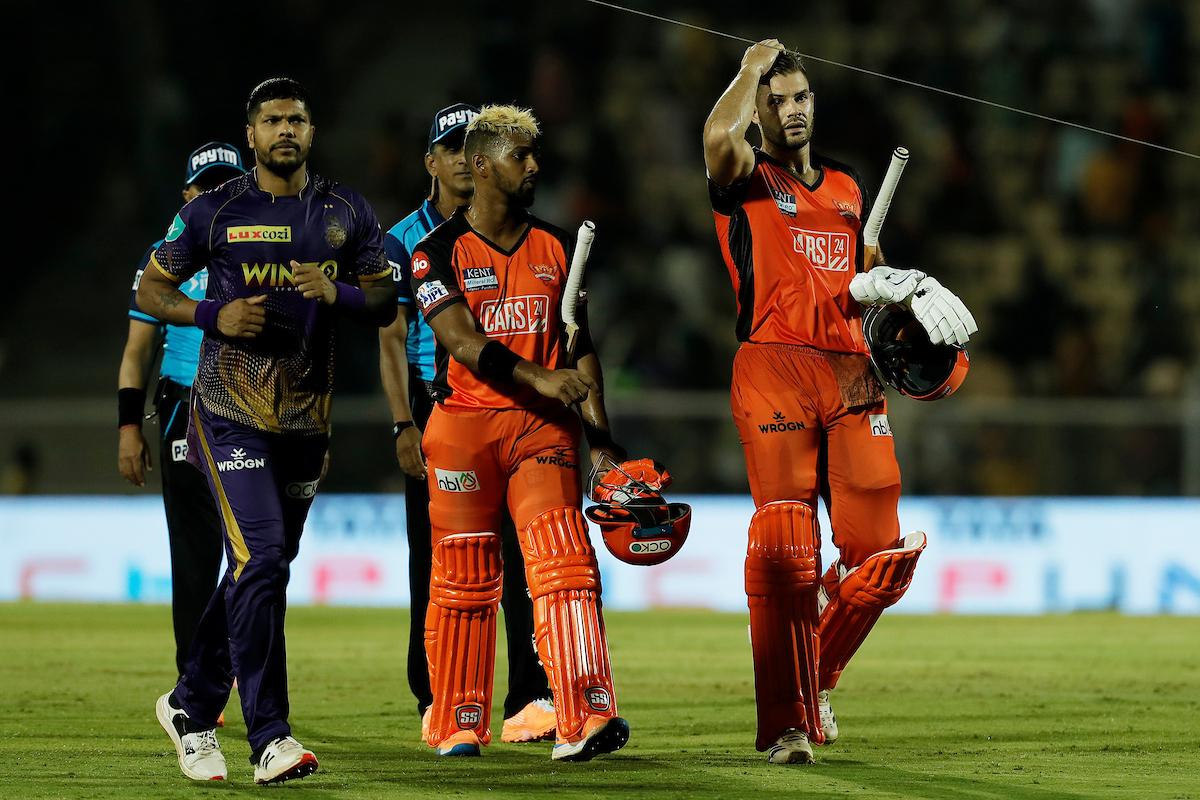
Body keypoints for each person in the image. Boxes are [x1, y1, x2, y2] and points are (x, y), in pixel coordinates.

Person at [702, 42, 976, 764]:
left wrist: (890, 285)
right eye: (777, 99)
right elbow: (714, 139)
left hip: (852, 373)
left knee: (881, 555)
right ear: (758, 112)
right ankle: (787, 725)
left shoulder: (852, 190)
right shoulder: (745, 175)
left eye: (801, 98)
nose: (791, 110)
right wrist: (747, 68)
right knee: (789, 545)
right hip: (774, 365)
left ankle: (815, 667)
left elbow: (858, 283)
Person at [137, 77, 396, 784]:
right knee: (264, 557)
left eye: (299, 119)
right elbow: (150, 290)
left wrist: (336, 292)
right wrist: (210, 317)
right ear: (250, 134)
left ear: (313, 132)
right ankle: (271, 737)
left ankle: (189, 706)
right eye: (273, 120)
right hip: (228, 414)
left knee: (263, 569)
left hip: (307, 423)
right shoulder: (213, 212)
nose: (287, 129)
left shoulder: (346, 211)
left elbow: (384, 297)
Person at [409, 105, 629, 761]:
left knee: (565, 566)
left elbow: (580, 345)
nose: (534, 167)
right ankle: (457, 723)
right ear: (480, 165)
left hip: (542, 432)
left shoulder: (559, 245)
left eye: (535, 156)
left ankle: (585, 716)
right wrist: (540, 376)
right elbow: (460, 340)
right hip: (463, 431)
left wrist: (603, 441)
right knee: (464, 580)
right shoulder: (434, 252)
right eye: (519, 156)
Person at [379, 103, 554, 744]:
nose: (457, 157)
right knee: (433, 559)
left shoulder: (511, 226)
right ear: (430, 162)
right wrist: (402, 423)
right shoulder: (403, 239)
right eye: (446, 147)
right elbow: (391, 338)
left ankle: (528, 696)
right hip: (437, 405)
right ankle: (435, 694)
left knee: (517, 552)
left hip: (506, 402)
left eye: (465, 146)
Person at [118, 141, 245, 682]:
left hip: (249, 406)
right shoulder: (161, 261)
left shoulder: (265, 252)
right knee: (193, 551)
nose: (215, 194)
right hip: (182, 407)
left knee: (254, 550)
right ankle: (195, 679)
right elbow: (137, 352)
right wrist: (128, 427)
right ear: (186, 195)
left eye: (226, 183)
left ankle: (243, 664)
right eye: (205, 185)